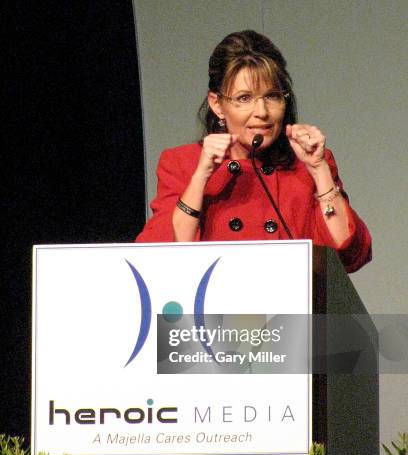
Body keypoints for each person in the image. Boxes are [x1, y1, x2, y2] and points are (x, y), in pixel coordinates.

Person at [135, 30, 371, 273]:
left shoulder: (307, 165)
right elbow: (162, 256)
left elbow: (350, 254)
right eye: (244, 98)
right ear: (217, 104)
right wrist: (201, 177)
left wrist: (319, 170)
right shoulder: (182, 163)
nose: (262, 112)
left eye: (271, 96)